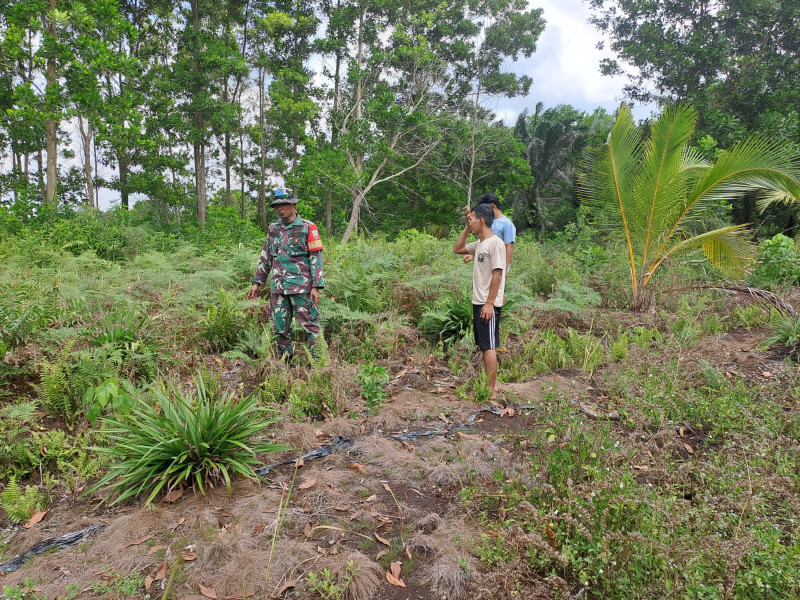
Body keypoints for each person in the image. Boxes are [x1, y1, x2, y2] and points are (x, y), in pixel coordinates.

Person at [247, 189, 324, 360]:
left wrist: (316, 286)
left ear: (294, 205)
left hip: (302, 288)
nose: (280, 209)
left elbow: (316, 258)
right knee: (279, 328)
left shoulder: (307, 227)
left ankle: (320, 365)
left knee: (310, 327)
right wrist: (257, 282)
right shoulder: (274, 228)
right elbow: (266, 256)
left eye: (284, 205)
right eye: (277, 206)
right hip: (279, 289)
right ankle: (285, 364)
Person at [454, 203, 506, 400]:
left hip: (487, 304)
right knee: (485, 345)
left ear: (481, 220)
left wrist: (490, 303)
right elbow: (457, 248)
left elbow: (498, 274)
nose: (471, 223)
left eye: (472, 220)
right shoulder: (480, 245)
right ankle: (491, 385)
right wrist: (467, 228)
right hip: (479, 301)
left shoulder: (496, 243)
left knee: (489, 346)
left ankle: (491, 391)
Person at [463, 193, 516, 271]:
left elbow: (509, 247)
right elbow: (482, 242)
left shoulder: (507, 224)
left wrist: (505, 269)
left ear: (492, 207)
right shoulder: (485, 221)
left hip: (498, 266)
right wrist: (472, 254)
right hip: (484, 264)